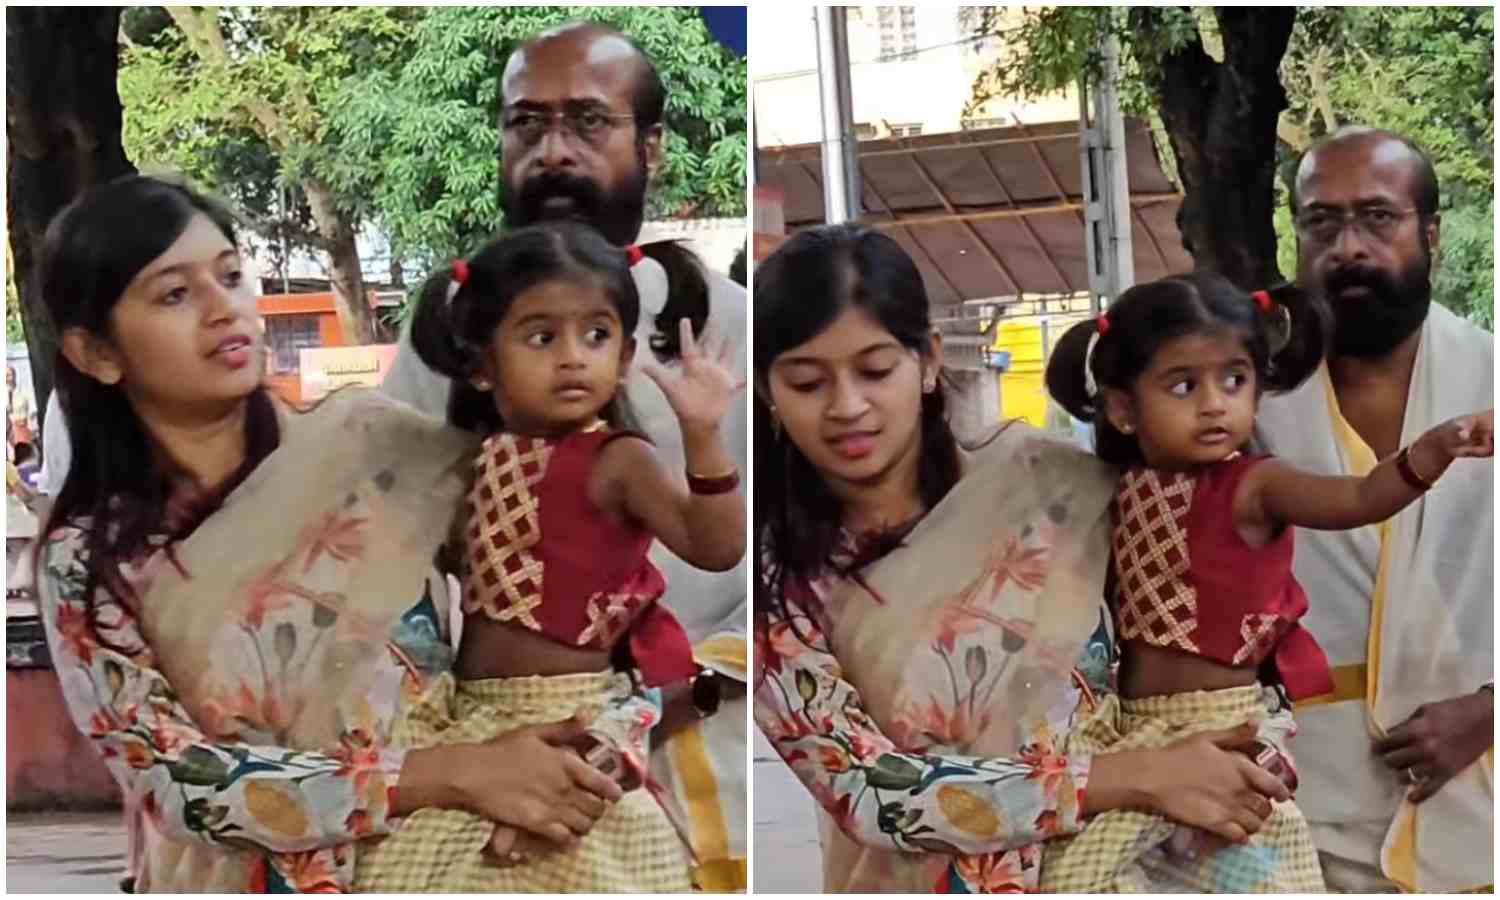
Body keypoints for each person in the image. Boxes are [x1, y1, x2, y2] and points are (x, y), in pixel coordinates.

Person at [33, 175, 627, 893]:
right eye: (175, 294)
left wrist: (579, 755)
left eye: (229, 275)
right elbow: (177, 782)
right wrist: (450, 776)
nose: (225, 309)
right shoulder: (88, 562)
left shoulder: (378, 451)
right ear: (96, 352)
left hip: (466, 864)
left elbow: (573, 605)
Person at [752, 224, 1294, 893]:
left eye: (874, 370)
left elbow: (1227, 644)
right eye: (807, 383)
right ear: (766, 390)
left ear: (925, 360)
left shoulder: (1062, 489)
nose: (848, 407)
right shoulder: (782, 586)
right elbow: (871, 792)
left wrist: (1245, 753)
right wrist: (1141, 775)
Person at [378, 21, 751, 887]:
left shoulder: (730, 327)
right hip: (491, 753)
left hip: (707, 744)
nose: (552, 151)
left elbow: (757, 556)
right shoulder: (451, 332)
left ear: (650, 145)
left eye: (587, 123)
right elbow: (397, 551)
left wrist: (649, 705)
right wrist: (462, 742)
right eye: (526, 124)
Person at [1039, 271, 1491, 891]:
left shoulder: (1255, 485)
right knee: (1070, 876)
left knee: (1261, 879)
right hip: (1132, 733)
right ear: (1121, 407)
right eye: (1182, 384)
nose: (1214, 403)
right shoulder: (1112, 490)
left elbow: (1359, 496)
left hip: (1226, 732)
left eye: (1234, 380)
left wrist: (1432, 453)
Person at [1256, 127, 1495, 892]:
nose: (1347, 246)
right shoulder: (1246, 408)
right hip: (1303, 823)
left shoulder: (1492, 378)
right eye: (1321, 222)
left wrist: (1491, 712)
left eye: (1377, 218)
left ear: (1430, 233)